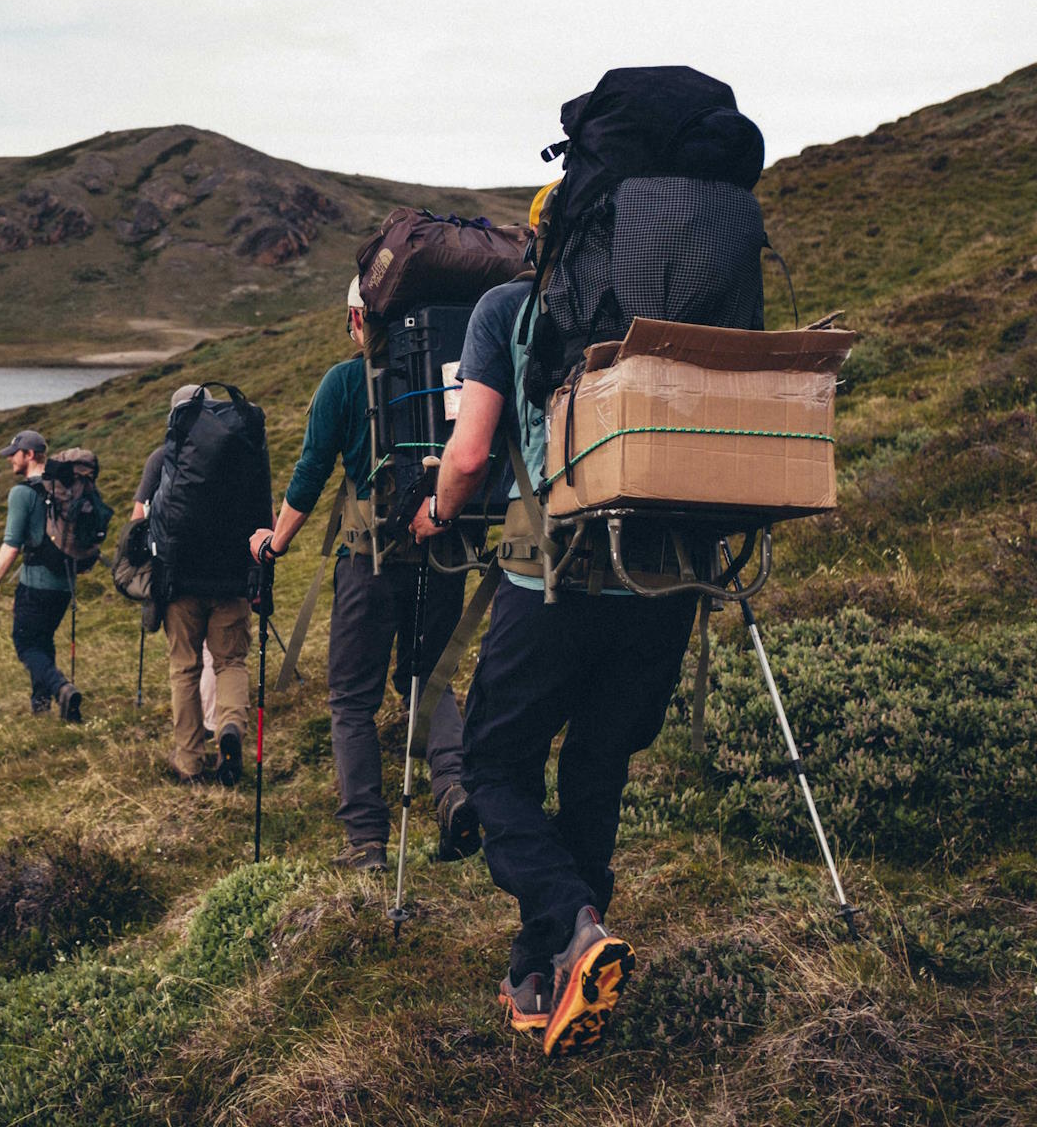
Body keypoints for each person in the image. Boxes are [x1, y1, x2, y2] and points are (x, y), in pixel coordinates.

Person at [407, 251, 698, 1055]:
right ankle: (540, 971)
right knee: (597, 766)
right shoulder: (681, 296)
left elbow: (468, 456)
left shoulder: (507, 305)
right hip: (669, 579)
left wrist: (434, 510)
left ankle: (575, 925)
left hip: (555, 578)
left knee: (494, 768)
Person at [248, 278, 477, 872]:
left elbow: (310, 470)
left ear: (357, 318)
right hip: (445, 549)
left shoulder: (345, 382)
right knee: (429, 677)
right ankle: (453, 793)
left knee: (352, 699)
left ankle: (368, 843)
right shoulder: (453, 375)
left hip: (369, 562)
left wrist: (276, 541)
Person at [136, 386, 252, 784]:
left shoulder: (162, 457)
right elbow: (264, 513)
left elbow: (140, 517)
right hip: (233, 578)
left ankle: (190, 763)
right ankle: (230, 728)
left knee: (184, 669)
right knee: (230, 662)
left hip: (179, 581)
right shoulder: (242, 452)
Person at [0, 430, 83, 722]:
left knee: (25, 644)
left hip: (36, 584)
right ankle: (41, 704)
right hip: (65, 585)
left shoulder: (22, 493)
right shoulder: (63, 488)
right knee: (43, 639)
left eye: (15, 452)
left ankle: (62, 689)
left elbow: (11, 545)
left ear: (31, 455)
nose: (10, 458)